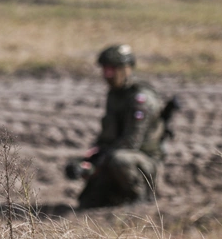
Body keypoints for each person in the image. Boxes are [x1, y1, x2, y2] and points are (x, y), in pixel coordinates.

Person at [71, 44, 167, 209]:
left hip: (143, 161)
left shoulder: (140, 99)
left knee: (120, 159)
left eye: (112, 69)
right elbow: (107, 137)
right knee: (88, 202)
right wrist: (88, 160)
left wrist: (99, 163)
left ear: (126, 69)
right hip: (115, 155)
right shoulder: (114, 95)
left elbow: (131, 143)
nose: (107, 74)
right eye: (105, 69)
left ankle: (141, 197)